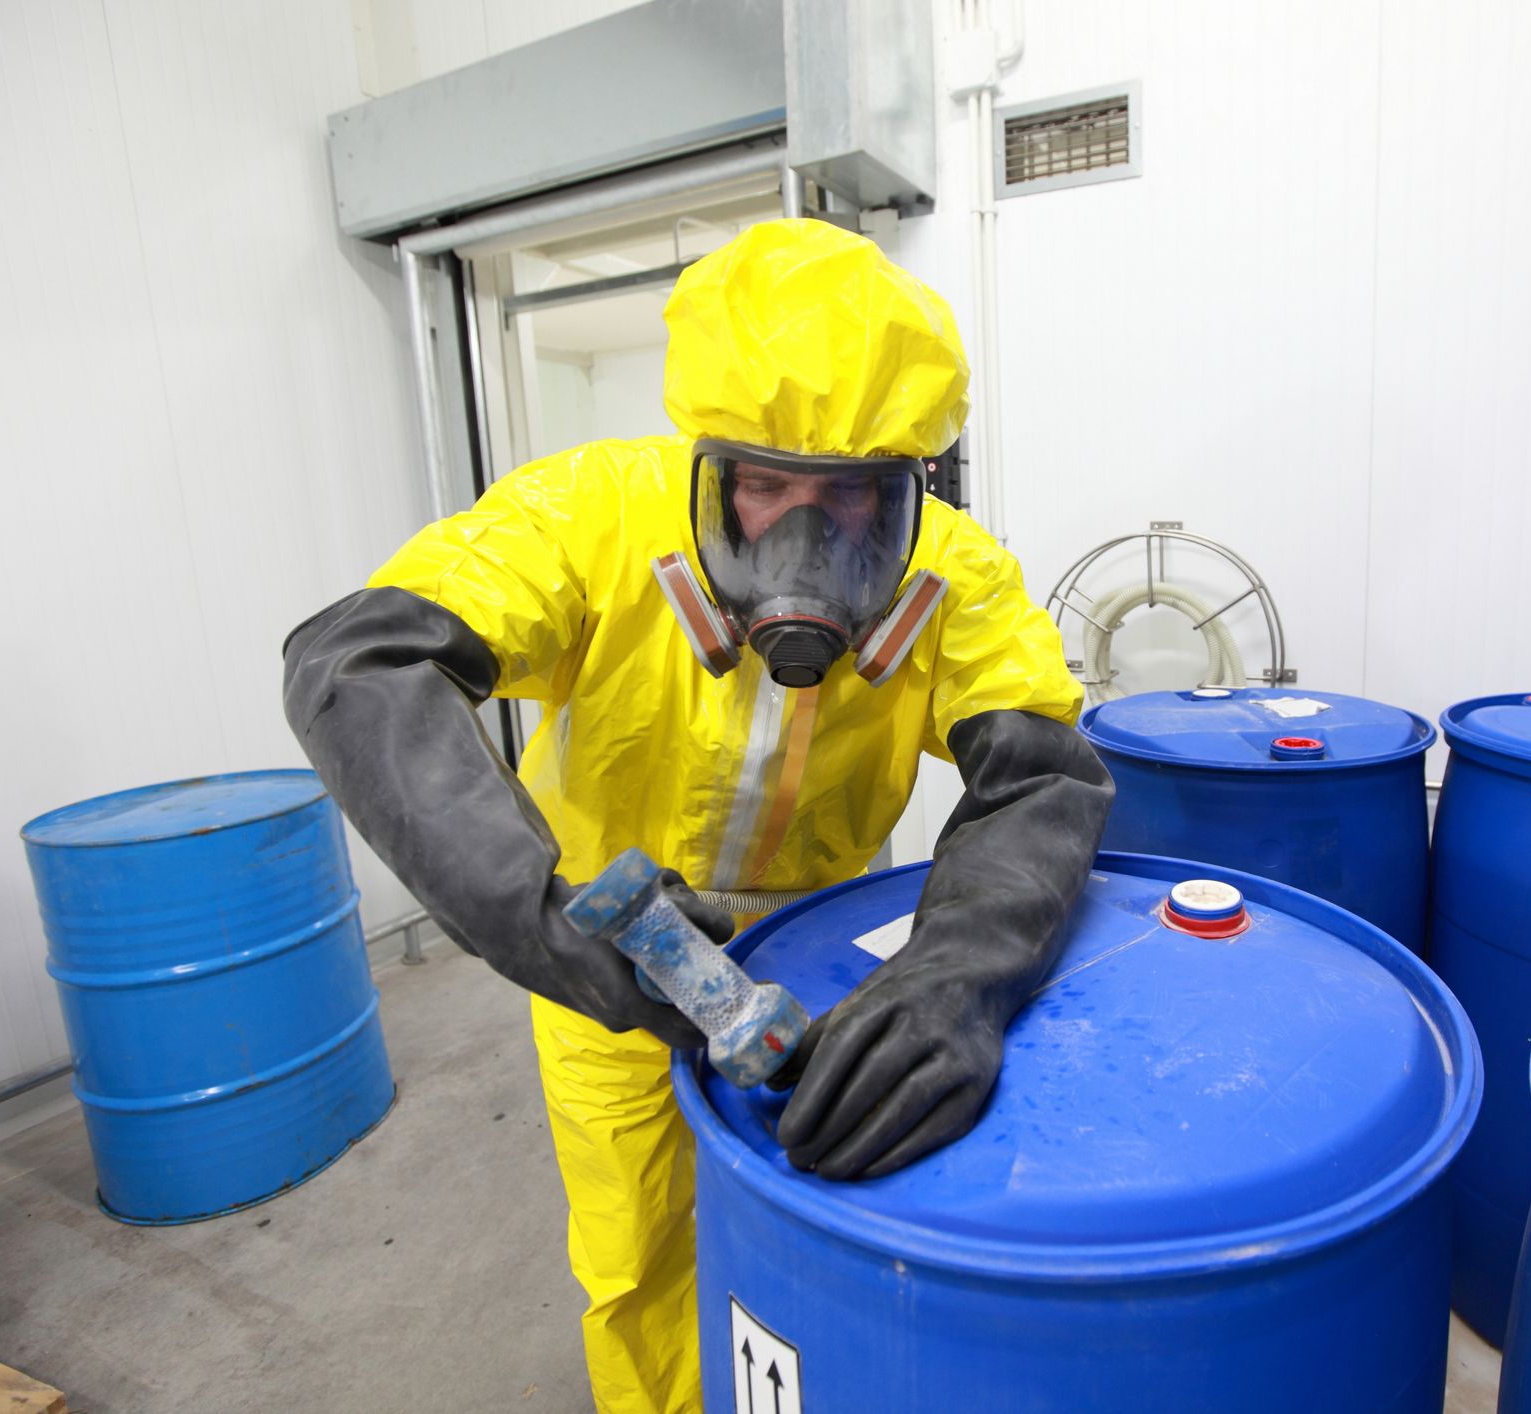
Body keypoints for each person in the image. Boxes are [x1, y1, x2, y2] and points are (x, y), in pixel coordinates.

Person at [281, 218, 1113, 1414]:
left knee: (836, 1232)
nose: (802, 533)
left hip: (834, 971)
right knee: (641, 1261)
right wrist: (543, 916)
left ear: (911, 488)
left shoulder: (955, 577)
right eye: (764, 485)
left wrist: (957, 975)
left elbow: (1041, 774)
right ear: (706, 463)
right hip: (613, 961)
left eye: (849, 498)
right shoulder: (594, 518)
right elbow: (356, 663)